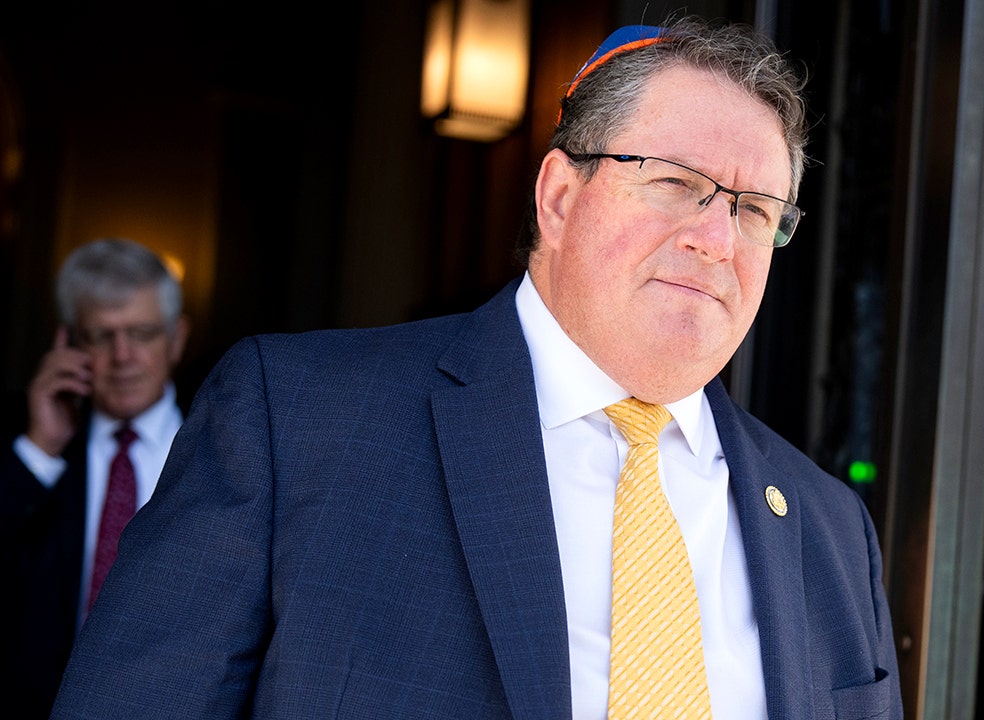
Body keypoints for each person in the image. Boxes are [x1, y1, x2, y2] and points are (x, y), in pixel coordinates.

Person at [52, 17, 902, 719]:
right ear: (559, 198)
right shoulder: (297, 422)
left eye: (755, 210)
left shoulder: (832, 530)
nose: (716, 239)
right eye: (678, 182)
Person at [1, 238, 189, 719]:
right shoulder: (32, 444)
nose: (123, 356)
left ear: (176, 338)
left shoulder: (223, 448)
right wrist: (40, 449)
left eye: (142, 333)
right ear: (69, 343)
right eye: (101, 336)